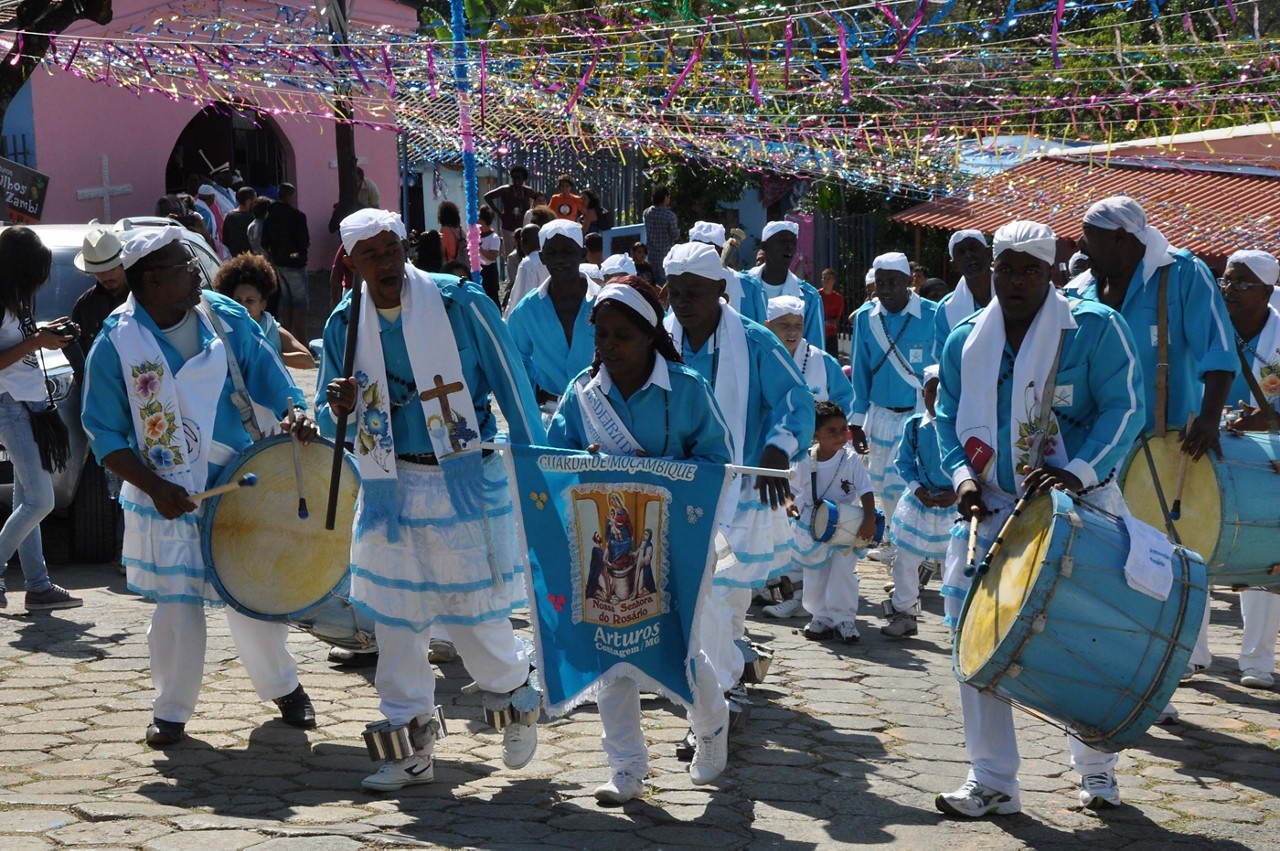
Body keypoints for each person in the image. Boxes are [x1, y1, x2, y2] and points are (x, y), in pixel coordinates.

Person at [317, 209, 544, 793]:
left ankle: (516, 690)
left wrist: (534, 463)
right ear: (353, 264)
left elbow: (512, 381)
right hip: (387, 488)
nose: (387, 262)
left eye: (392, 248)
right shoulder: (346, 323)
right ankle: (409, 744)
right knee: (396, 624)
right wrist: (336, 407)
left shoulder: (458, 303)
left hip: (459, 481)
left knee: (471, 616)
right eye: (371, 255)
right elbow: (327, 414)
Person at [934, 220, 1145, 816]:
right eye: (1008, 268)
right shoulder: (965, 339)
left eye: (1031, 269)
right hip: (994, 510)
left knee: (1083, 638)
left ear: (1053, 272)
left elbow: (1125, 408)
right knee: (974, 641)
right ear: (991, 270)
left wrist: (1077, 472)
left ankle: (1097, 770)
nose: (1018, 280)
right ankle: (992, 778)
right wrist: (964, 479)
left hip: (1079, 507)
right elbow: (947, 418)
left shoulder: (1096, 330)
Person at [81, 224, 318, 746]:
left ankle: (284, 686)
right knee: (177, 606)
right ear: (149, 283)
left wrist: (296, 413)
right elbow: (104, 433)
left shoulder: (224, 316)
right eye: (182, 268)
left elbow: (271, 376)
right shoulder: (115, 344)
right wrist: (155, 486)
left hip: (237, 480)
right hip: (165, 493)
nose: (196, 273)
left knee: (251, 592)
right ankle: (170, 710)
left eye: (192, 262)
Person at [548, 277, 734, 801]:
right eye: (601, 335)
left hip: (677, 541)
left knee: (678, 644)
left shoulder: (689, 388)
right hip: (606, 544)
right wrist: (588, 464)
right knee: (612, 651)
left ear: (651, 334)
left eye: (621, 336)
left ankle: (711, 723)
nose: (608, 347)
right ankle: (626, 766)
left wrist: (659, 473)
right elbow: (556, 460)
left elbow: (718, 462)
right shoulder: (583, 393)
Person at [1073, 196, 1236, 702]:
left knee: (1160, 561)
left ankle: (1158, 671)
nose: (1081, 247)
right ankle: (1108, 660)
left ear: (1123, 239)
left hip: (1164, 450)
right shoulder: (1082, 286)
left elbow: (1218, 347)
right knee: (1101, 561)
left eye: (1089, 237)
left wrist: (1209, 417)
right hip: (1095, 449)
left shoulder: (1181, 274)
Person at [663, 242, 813, 700]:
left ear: (719, 290)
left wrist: (777, 448)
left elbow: (796, 401)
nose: (684, 303)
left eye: (695, 292)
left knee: (722, 594)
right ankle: (720, 678)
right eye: (675, 292)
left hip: (739, 487)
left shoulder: (753, 340)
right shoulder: (659, 338)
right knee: (698, 596)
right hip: (676, 485)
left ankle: (719, 685)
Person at [0, 228, 82, 612]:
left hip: (28, 405)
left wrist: (48, 335)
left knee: (26, 497)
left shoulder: (18, 300)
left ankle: (38, 585)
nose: (43, 279)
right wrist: (37, 341)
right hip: (11, 406)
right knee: (40, 500)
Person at [760, 295, 854, 620]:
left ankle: (802, 595)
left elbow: (844, 399)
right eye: (784, 325)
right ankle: (779, 585)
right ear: (767, 326)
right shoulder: (758, 356)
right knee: (776, 523)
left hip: (809, 458)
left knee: (804, 521)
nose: (792, 332)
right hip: (770, 454)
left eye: (797, 326)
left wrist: (822, 427)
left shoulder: (821, 361)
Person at [848, 252, 939, 564]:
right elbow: (859, 370)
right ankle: (899, 543)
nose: (885, 289)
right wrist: (856, 422)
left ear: (908, 282)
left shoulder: (932, 314)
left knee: (907, 485)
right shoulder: (865, 317)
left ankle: (912, 553)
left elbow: (943, 368)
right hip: (880, 416)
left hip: (916, 416)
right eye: (880, 283)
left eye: (893, 282)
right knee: (884, 488)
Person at [1218, 250, 1280, 690]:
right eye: (1226, 280)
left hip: (1269, 456)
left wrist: (1270, 418)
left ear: (1266, 290)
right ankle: (1191, 657)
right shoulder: (1210, 325)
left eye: (1242, 284)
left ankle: (1257, 661)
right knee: (1192, 546)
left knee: (1262, 555)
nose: (1229, 290)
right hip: (1211, 447)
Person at [787, 400, 877, 642]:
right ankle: (820, 617)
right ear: (816, 433)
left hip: (845, 527)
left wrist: (869, 518)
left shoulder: (851, 459)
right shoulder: (805, 459)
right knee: (815, 573)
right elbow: (791, 489)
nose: (840, 437)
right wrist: (789, 506)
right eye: (832, 431)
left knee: (843, 573)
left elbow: (866, 490)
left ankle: (845, 619)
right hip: (812, 525)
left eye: (843, 430)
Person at [881, 364, 955, 638]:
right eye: (931, 392)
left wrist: (957, 493)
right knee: (905, 561)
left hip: (953, 507)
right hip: (918, 503)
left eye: (943, 393)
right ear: (923, 393)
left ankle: (957, 622)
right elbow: (903, 463)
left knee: (954, 566)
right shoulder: (914, 426)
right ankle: (905, 613)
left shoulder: (961, 426)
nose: (936, 400)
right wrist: (917, 489)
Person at [508, 221, 598, 418]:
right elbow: (515, 359)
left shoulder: (605, 303)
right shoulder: (528, 309)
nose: (560, 259)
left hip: (603, 414)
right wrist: (531, 398)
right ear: (541, 257)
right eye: (552, 253)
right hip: (549, 415)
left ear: (582, 254)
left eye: (568, 251)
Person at [213, 254, 316, 370]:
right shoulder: (223, 326)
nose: (242, 306)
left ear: (263, 304)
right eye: (237, 300)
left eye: (249, 301)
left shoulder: (271, 328)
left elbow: (308, 361)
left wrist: (271, 355)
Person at [744, 221, 824, 346]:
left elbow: (814, 349)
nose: (789, 246)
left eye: (793, 242)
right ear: (764, 246)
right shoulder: (741, 285)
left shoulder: (809, 297)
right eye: (782, 241)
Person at [72, 221, 130, 360]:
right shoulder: (84, 306)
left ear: (123, 264)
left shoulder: (146, 295)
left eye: (110, 269)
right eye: (98, 271)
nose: (105, 276)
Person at [261, 183, 311, 341]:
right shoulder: (297, 215)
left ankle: (286, 340)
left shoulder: (270, 215)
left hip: (279, 263)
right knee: (299, 305)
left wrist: (276, 253)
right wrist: (296, 254)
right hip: (295, 265)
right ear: (291, 196)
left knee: (287, 303)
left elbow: (264, 242)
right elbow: (304, 242)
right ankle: (303, 343)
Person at [689, 220, 765, 324]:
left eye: (706, 254)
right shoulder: (680, 285)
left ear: (720, 251)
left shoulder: (749, 287)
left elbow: (762, 331)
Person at [933, 230, 992, 362]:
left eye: (973, 248)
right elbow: (945, 359)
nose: (968, 255)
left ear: (989, 253)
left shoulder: (1014, 293)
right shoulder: (946, 309)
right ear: (954, 265)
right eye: (961, 252)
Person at [484, 165, 535, 252]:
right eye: (514, 177)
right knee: (510, 253)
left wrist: (531, 212)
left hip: (523, 225)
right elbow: (487, 197)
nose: (516, 180)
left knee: (524, 251)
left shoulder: (528, 191)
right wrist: (499, 213)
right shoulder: (506, 189)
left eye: (519, 178)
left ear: (524, 179)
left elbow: (539, 199)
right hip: (508, 226)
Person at [503, 223, 548, 319]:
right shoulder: (548, 258)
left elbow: (519, 296)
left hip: (530, 319)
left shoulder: (527, 264)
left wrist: (507, 321)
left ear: (523, 242)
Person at [642, 186, 679, 285]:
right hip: (665, 255)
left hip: (651, 255)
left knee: (653, 284)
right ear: (665, 198)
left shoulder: (646, 213)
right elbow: (675, 235)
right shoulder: (670, 216)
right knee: (665, 284)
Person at [221, 187, 257, 257]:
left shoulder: (229, 216)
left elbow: (225, 240)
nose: (256, 204)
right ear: (248, 202)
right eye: (255, 201)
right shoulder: (252, 218)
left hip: (234, 259)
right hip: (250, 259)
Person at [477, 205, 502, 306]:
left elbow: (493, 256)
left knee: (492, 298)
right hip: (478, 269)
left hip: (489, 270)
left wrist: (480, 249)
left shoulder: (494, 237)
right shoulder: (477, 236)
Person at [819, 268, 844, 358]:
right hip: (818, 334)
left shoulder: (838, 298)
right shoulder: (817, 296)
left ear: (833, 281)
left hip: (831, 336)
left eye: (828, 278)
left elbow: (836, 320)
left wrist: (826, 322)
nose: (825, 281)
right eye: (824, 278)